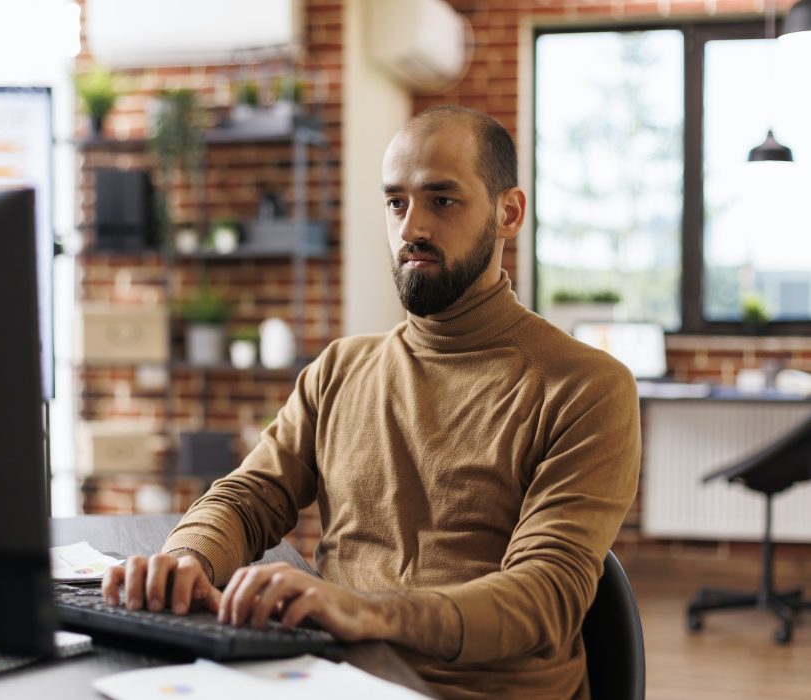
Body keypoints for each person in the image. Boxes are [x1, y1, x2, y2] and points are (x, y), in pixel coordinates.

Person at [103, 105, 641, 699]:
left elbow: (546, 596)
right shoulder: (339, 369)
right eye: (396, 203)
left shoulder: (586, 387)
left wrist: (370, 612)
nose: (412, 228)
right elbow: (248, 494)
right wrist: (189, 558)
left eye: (443, 200)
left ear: (507, 213)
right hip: (332, 675)